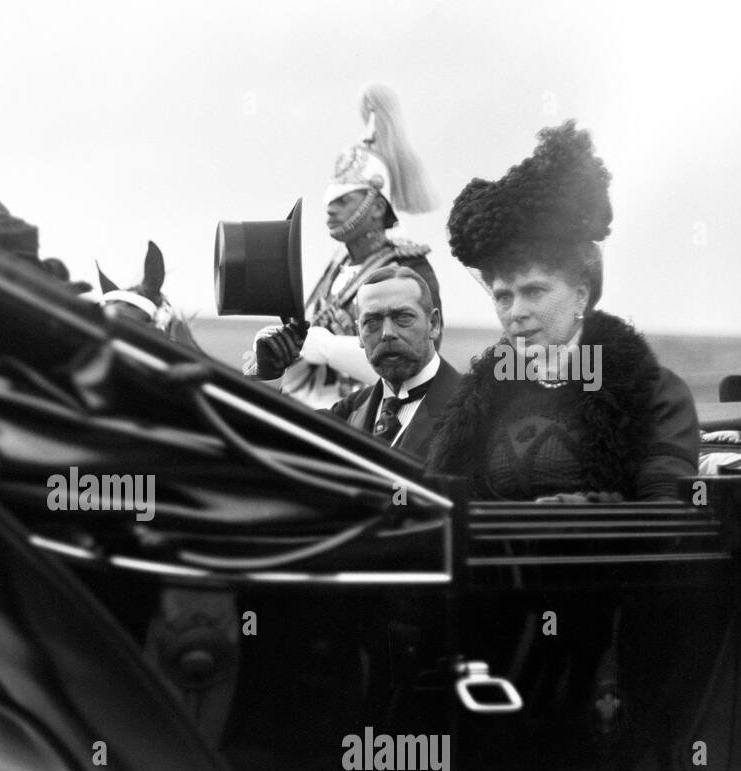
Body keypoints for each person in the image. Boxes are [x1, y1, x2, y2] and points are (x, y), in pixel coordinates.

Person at [427, 122, 699, 502]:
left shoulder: (651, 392)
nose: (516, 312)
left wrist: (579, 513)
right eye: (503, 296)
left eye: (534, 290)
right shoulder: (480, 401)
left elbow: (671, 512)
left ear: (581, 294)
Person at [245, 85, 442, 410]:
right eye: (330, 200)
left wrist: (326, 346)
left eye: (344, 200)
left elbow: (424, 357)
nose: (331, 209)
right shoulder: (337, 266)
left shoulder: (411, 268)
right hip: (310, 409)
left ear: (377, 207)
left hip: (367, 419)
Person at [328, 264, 461, 458]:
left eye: (403, 317)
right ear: (359, 334)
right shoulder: (347, 412)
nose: (387, 333)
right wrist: (272, 374)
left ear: (433, 324)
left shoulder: (479, 406)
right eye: (372, 321)